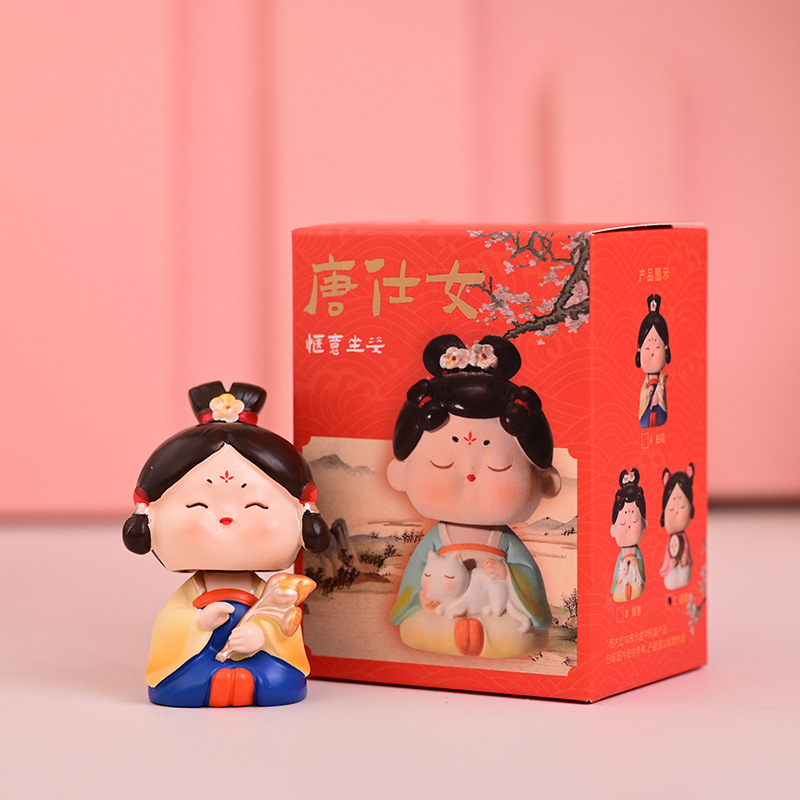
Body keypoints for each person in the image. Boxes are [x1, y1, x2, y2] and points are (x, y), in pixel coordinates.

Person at [123, 381, 329, 707]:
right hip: (198, 660)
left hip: (259, 658)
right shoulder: (193, 593)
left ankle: (242, 680)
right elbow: (169, 624)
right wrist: (198, 623)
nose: (227, 518)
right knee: (178, 685)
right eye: (198, 505)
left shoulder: (271, 591)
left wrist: (262, 636)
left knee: (282, 682)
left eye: (255, 506)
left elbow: (285, 630)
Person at [387, 334, 561, 658]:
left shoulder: (502, 540)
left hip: (497, 607)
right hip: (442, 607)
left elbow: (528, 577)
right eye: (443, 462)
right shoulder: (439, 538)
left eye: (498, 466)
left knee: (516, 636)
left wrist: (508, 573)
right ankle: (455, 632)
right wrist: (420, 598)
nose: (470, 475)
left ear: (545, 482)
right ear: (400, 474)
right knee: (418, 626)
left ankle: (481, 633)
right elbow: (416, 578)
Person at [609, 468, 647, 602]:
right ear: (613, 530)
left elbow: (642, 571)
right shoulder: (622, 554)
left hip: (634, 576)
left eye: (634, 521)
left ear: (644, 524)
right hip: (623, 578)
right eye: (623, 523)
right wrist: (617, 582)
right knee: (619, 594)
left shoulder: (636, 552)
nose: (629, 526)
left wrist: (636, 564)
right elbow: (616, 572)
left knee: (637, 588)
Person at [636, 294, 670, 428]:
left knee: (660, 418)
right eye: (647, 349)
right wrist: (647, 393)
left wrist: (657, 394)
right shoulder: (646, 382)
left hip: (659, 408)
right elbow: (642, 394)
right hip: (646, 410)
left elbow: (662, 384)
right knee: (644, 422)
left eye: (657, 348)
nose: (652, 353)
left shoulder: (662, 379)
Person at [659, 464, 695, 590]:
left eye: (682, 507)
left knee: (685, 574)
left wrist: (685, 556)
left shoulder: (683, 536)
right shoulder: (671, 538)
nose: (677, 512)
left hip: (683, 561)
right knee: (672, 576)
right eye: (672, 509)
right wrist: (671, 561)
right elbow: (668, 552)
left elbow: (686, 547)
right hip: (672, 561)